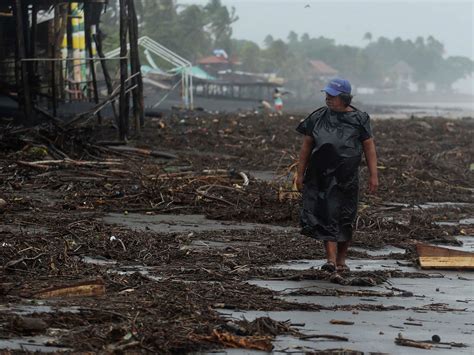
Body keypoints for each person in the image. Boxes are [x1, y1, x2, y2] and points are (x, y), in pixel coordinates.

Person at [295, 78, 378, 273]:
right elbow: (306, 146)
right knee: (327, 213)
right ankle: (330, 261)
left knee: (346, 216)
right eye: (327, 95)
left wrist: (374, 175)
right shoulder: (317, 117)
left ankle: (341, 261)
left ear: (344, 98)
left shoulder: (360, 119)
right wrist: (299, 174)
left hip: (347, 176)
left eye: (332, 95)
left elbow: (369, 147)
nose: (328, 98)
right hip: (321, 175)